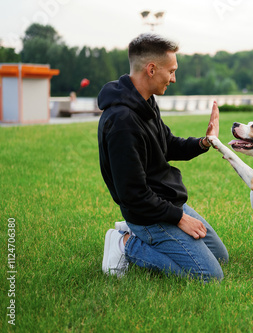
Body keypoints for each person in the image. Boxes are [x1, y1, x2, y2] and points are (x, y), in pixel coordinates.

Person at [97, 33, 228, 282]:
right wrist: (179, 219)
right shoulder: (122, 122)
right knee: (209, 276)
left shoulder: (146, 102)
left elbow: (167, 144)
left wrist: (204, 142)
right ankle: (126, 244)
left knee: (221, 257)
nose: (174, 78)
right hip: (147, 215)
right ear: (151, 69)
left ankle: (139, 237)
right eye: (171, 71)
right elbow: (133, 195)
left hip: (167, 203)